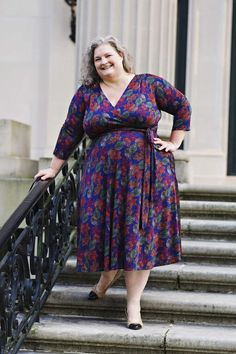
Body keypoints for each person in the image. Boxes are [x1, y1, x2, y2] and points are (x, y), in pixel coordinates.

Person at [35, 35, 191, 330]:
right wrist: (54, 169)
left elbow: (183, 107)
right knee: (105, 230)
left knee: (140, 235)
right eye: (97, 59)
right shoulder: (88, 93)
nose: (104, 62)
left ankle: (133, 306)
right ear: (93, 66)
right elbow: (70, 130)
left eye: (108, 56)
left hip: (147, 172)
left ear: (121, 55)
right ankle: (106, 277)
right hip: (101, 175)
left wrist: (175, 142)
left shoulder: (149, 84)